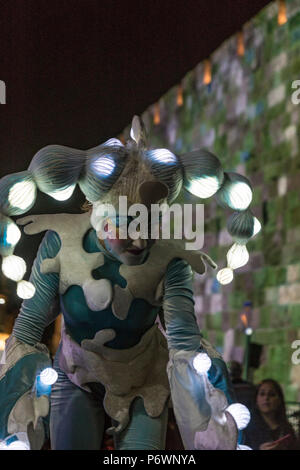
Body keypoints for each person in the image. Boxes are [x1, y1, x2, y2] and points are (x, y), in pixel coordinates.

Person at [0, 116, 259, 450]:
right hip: (76, 374)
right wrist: (10, 407)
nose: (140, 240)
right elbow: (31, 323)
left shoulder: (171, 257)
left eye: (150, 227)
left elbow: (183, 338)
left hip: (144, 382)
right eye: (127, 226)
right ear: (101, 219)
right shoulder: (60, 242)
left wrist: (218, 416)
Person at [243, 379, 298, 450]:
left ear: (279, 400)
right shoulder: (247, 428)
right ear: (256, 400)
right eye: (262, 394)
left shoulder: (286, 428)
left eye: (272, 394)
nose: (266, 398)